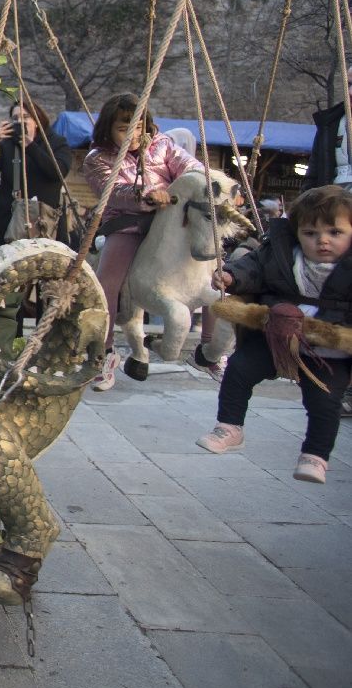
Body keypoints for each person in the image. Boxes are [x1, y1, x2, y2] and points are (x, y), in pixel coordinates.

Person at [197, 186, 352, 484]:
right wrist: (231, 275)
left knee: (324, 401)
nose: (322, 241)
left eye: (335, 232)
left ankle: (316, 455)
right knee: (239, 369)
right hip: (276, 335)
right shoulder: (281, 253)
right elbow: (253, 266)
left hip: (329, 346)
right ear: (296, 234)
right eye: (310, 233)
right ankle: (230, 426)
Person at [81, 92, 203, 390]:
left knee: (209, 256)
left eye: (138, 128)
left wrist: (204, 185)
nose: (133, 135)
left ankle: (211, 346)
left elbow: (190, 168)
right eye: (124, 129)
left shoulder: (163, 145)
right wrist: (145, 196)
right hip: (127, 223)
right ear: (108, 128)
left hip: (169, 221)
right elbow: (114, 190)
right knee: (106, 283)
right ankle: (104, 351)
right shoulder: (97, 159)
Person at [0, 98, 72, 247]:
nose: (20, 121)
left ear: (37, 120)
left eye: (25, 117)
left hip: (46, 222)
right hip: (9, 223)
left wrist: (30, 146)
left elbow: (57, 172)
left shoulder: (56, 143)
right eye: (15, 118)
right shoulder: (6, 145)